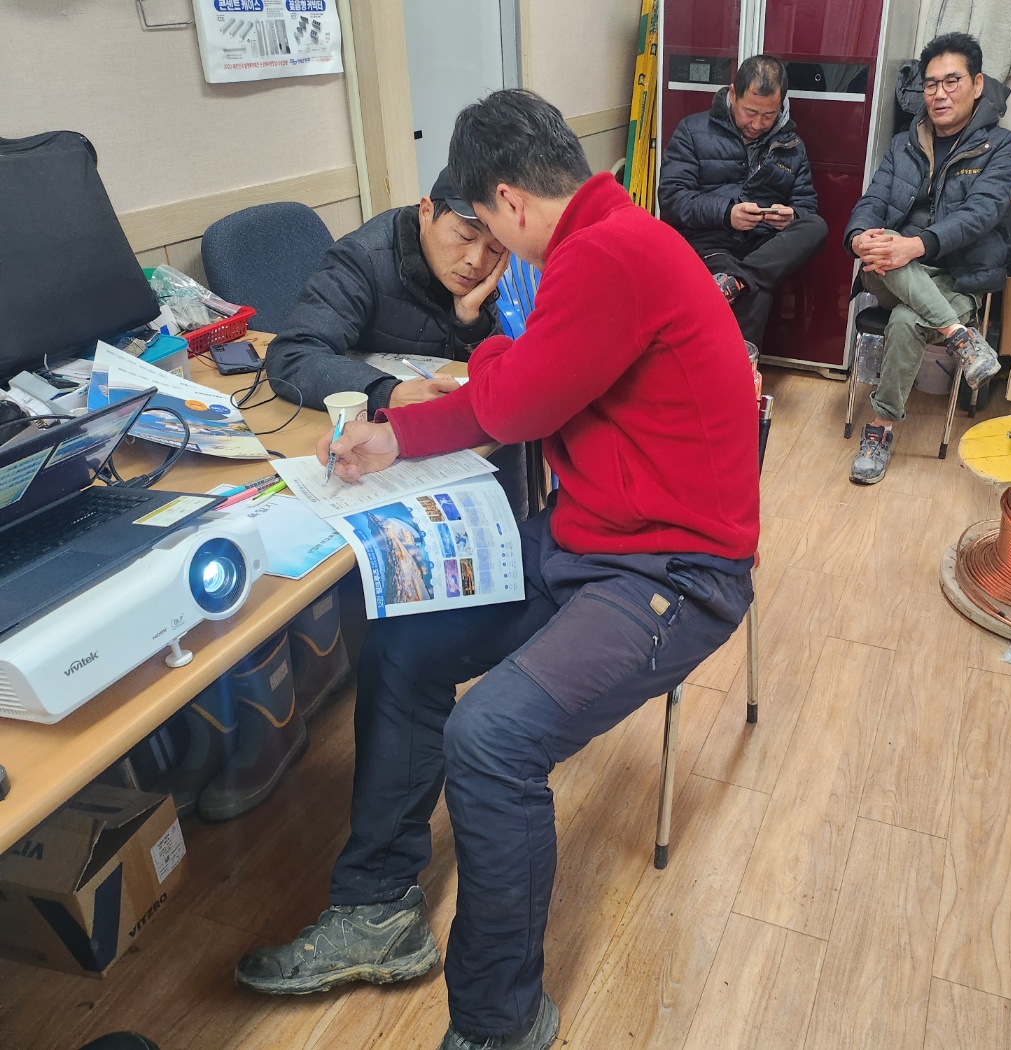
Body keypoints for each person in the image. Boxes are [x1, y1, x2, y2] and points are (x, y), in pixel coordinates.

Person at [234, 90, 760, 1050]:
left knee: (491, 739)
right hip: (589, 537)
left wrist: (421, 412)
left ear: (509, 200)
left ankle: (499, 1021)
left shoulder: (604, 255)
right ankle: (377, 906)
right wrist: (407, 426)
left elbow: (514, 405)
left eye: (487, 225)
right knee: (404, 649)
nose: (485, 250)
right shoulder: (600, 236)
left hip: (675, 569)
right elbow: (522, 387)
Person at [263, 167, 526, 517]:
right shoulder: (365, 258)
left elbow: (496, 381)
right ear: (426, 211)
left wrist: (470, 322)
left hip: (450, 444)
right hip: (375, 451)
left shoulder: (478, 275)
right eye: (465, 235)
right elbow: (293, 353)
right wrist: (389, 393)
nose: (476, 261)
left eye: (494, 248)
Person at [844, 32, 1011, 485]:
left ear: (977, 84)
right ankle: (959, 337)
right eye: (930, 84)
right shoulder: (904, 143)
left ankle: (880, 430)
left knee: (906, 320)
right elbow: (873, 199)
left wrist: (915, 245)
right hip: (889, 270)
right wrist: (860, 237)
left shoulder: (1000, 146)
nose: (939, 93)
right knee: (883, 248)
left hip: (958, 277)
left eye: (951, 81)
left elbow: (981, 215)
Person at [658, 54, 827, 349]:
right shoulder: (692, 131)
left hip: (764, 247)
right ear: (733, 94)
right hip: (710, 243)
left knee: (816, 226)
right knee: (756, 293)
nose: (757, 124)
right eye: (750, 111)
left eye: (769, 115)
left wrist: (791, 216)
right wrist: (727, 214)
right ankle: (741, 371)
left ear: (782, 104)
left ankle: (737, 280)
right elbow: (672, 198)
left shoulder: (792, 146)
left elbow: (806, 205)